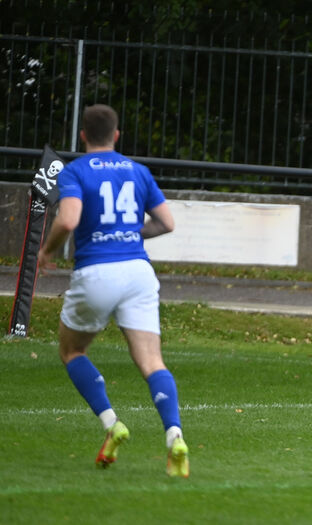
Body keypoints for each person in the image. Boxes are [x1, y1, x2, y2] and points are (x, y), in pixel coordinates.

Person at [37, 104, 189, 477]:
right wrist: (129, 234)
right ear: (117, 135)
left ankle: (112, 424)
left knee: (72, 349)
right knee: (152, 362)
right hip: (138, 271)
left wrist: (47, 251)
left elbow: (69, 218)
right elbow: (167, 223)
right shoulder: (137, 171)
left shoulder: (75, 171)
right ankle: (174, 435)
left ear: (83, 135)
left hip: (97, 272)